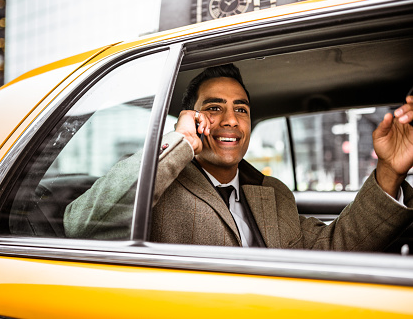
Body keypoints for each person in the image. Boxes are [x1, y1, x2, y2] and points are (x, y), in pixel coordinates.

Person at [64, 64, 413, 250]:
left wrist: (389, 171)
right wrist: (181, 140)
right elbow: (84, 226)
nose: (230, 120)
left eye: (241, 109)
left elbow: (332, 247)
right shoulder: (156, 180)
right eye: (214, 108)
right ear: (191, 119)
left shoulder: (273, 193)